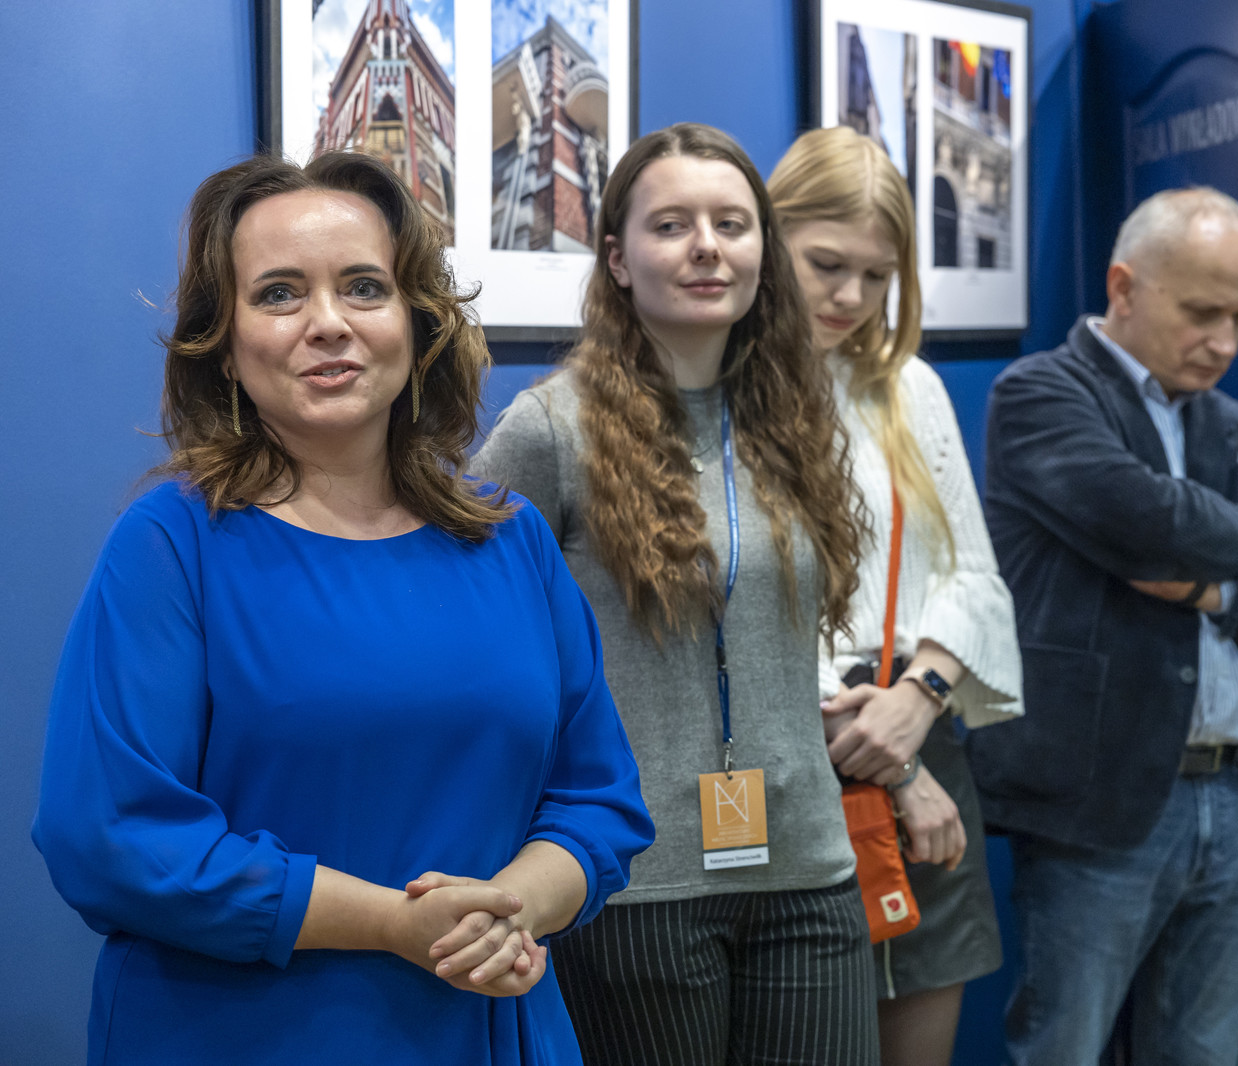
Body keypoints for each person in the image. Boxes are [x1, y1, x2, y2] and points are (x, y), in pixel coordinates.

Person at [31, 151, 654, 1064]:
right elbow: (110, 836)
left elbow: (597, 798)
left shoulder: (510, 537)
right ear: (225, 343)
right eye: (280, 294)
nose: (328, 323)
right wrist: (394, 924)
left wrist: (510, 908)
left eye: (364, 287)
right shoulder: (171, 545)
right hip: (241, 1034)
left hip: (486, 1022)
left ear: (415, 320)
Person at [470, 123, 877, 1066]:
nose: (706, 247)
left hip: (807, 868)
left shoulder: (794, 419)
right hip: (635, 882)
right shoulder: (548, 430)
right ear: (617, 259)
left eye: (732, 224)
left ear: (763, 251)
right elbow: (471, 637)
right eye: (672, 225)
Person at [969, 186, 1238, 1065]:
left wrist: (1212, 592)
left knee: (1202, 1054)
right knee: (1063, 1046)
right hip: (1099, 797)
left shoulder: (1229, 420)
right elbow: (1142, 518)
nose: (1225, 342)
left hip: (1233, 790)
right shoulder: (1039, 393)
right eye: (1202, 312)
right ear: (1124, 287)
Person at [767, 125, 1023, 1066]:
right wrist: (895, 764)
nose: (851, 296)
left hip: (920, 727)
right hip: (789, 748)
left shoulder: (907, 388)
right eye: (827, 265)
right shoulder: (724, 389)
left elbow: (973, 574)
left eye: (877, 275)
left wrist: (921, 699)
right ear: (769, 236)